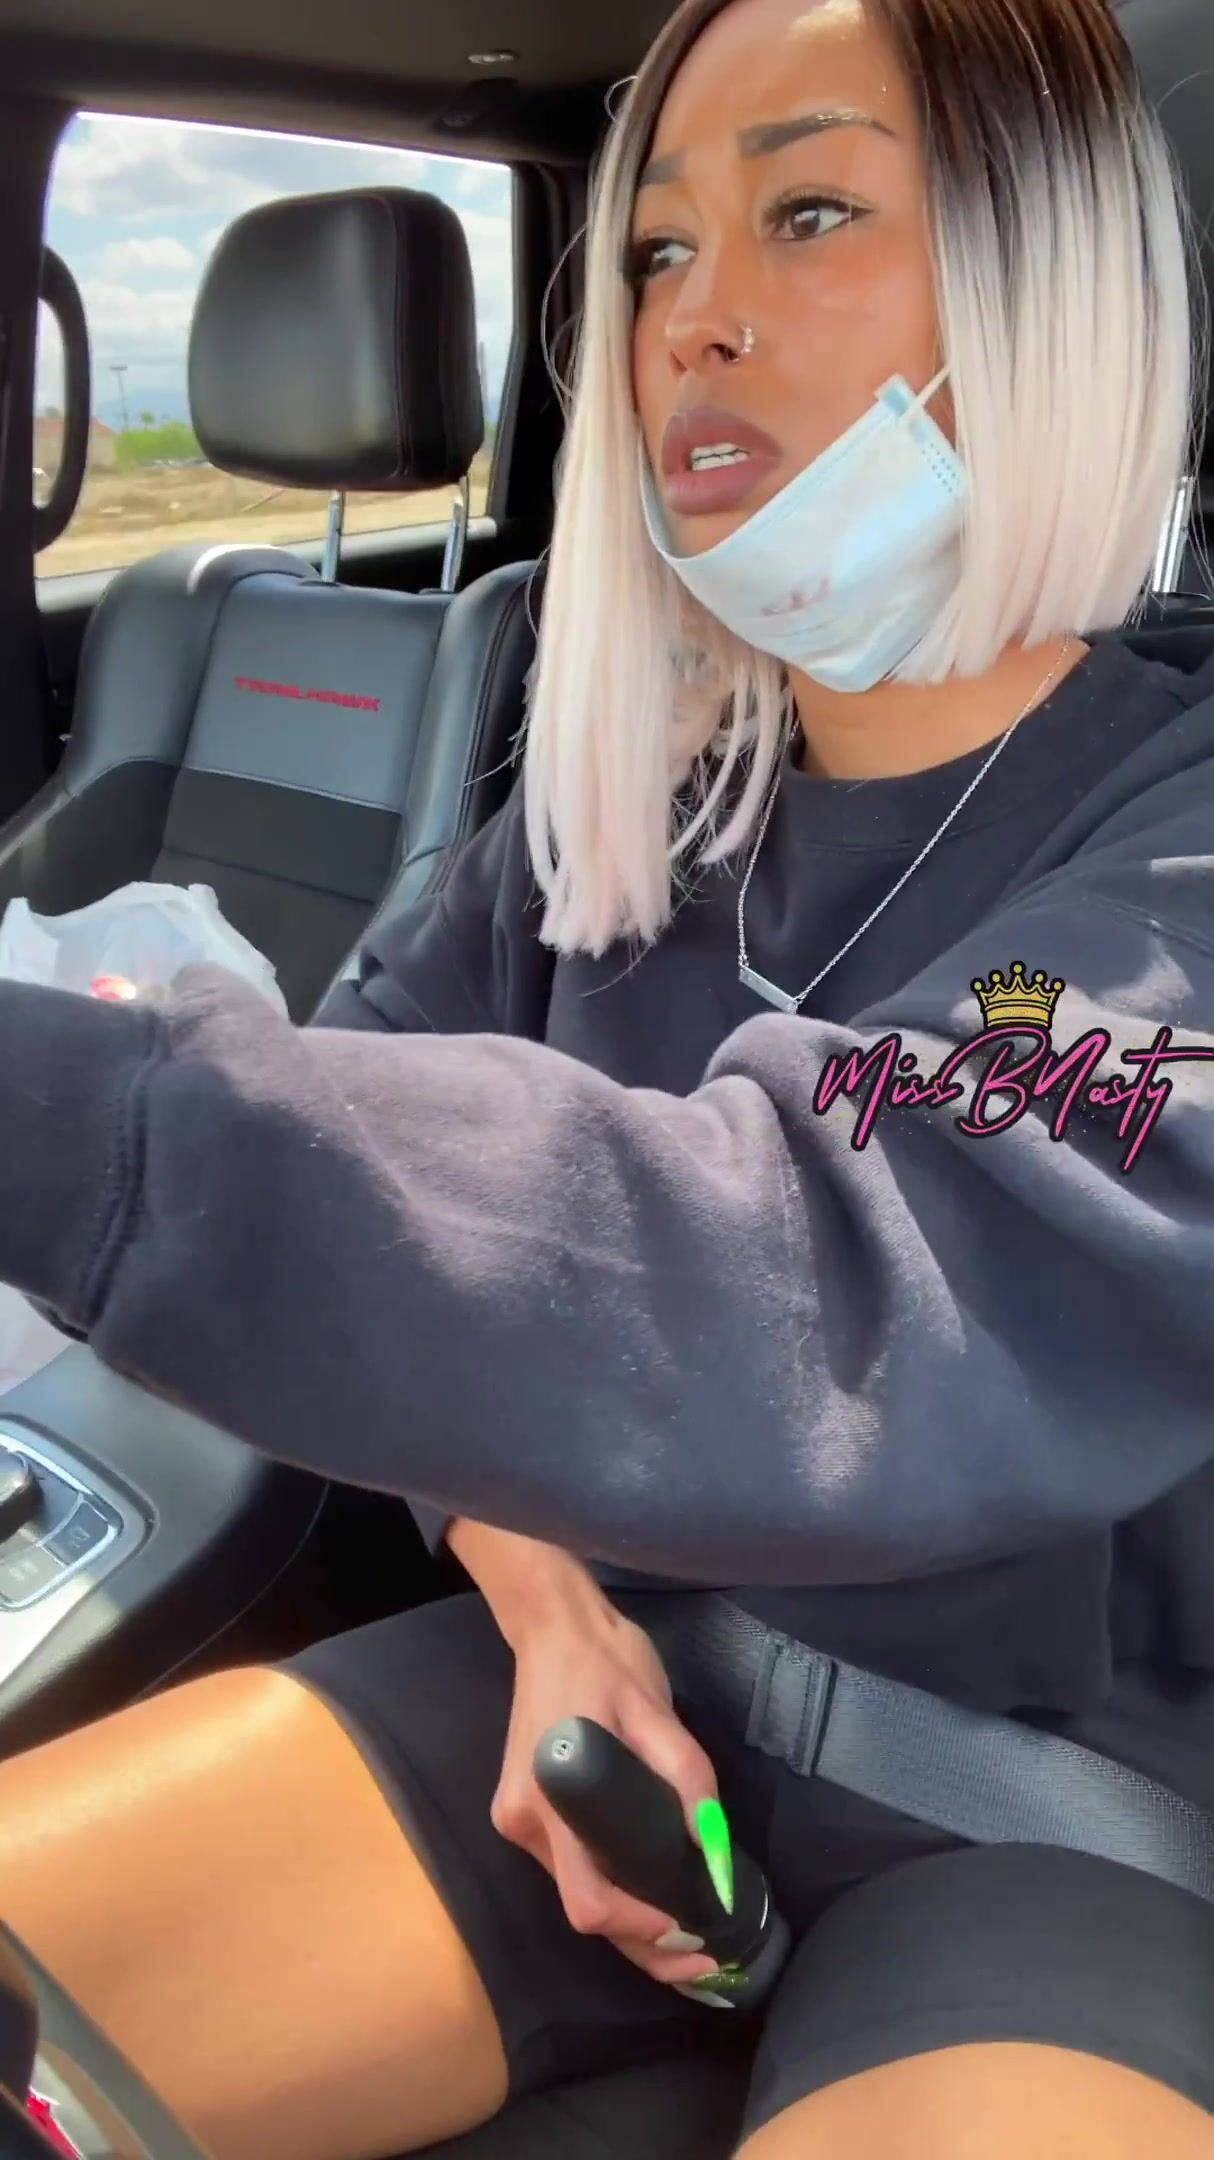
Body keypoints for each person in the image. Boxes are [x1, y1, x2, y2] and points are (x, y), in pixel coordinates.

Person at [0, 0, 1213, 2153]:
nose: (692, 320)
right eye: (653, 251)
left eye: (809, 213)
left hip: (1056, 1826)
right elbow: (384, 1145)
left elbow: (841, 1271)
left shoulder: (1163, 862)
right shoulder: (611, 823)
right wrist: (545, 1598)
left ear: (1052, 284)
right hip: (599, 1726)